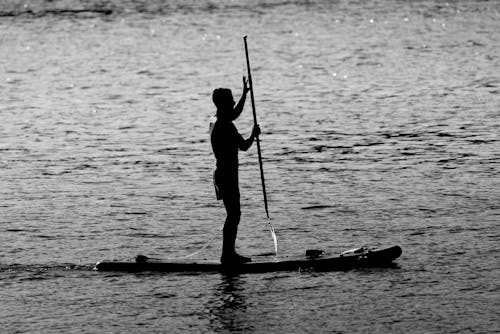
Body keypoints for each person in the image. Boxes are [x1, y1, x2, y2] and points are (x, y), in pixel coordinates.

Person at [210, 77, 260, 264]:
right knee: (234, 214)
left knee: (233, 214)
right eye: (230, 99)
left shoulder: (215, 120)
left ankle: (228, 253)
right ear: (223, 103)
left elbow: (234, 113)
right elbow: (245, 146)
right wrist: (253, 135)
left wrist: (245, 94)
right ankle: (227, 255)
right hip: (227, 176)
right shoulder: (227, 126)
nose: (233, 102)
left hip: (221, 174)